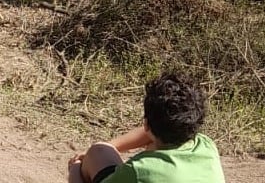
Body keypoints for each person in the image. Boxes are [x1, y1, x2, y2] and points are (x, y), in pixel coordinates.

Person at [68, 72, 225, 183]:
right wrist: (110, 146)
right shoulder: (207, 146)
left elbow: (150, 133)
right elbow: (151, 133)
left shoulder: (138, 170)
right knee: (103, 150)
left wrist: (75, 169)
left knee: (97, 153)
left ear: (146, 123)